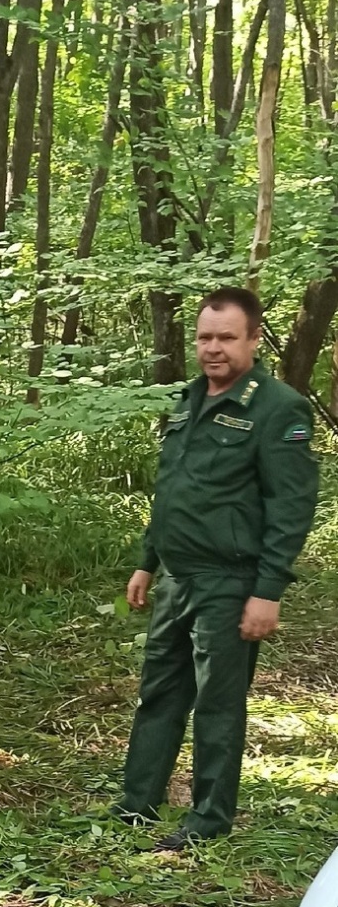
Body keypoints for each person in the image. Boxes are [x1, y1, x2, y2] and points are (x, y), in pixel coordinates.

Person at [113, 286, 319, 852]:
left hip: (230, 582)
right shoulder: (188, 400)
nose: (213, 348)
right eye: (205, 337)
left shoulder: (278, 409)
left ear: (254, 339)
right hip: (178, 578)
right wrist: (147, 563)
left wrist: (268, 590)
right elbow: (172, 491)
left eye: (227, 337)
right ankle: (138, 802)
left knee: (218, 703)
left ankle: (208, 819)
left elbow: (291, 506)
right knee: (159, 691)